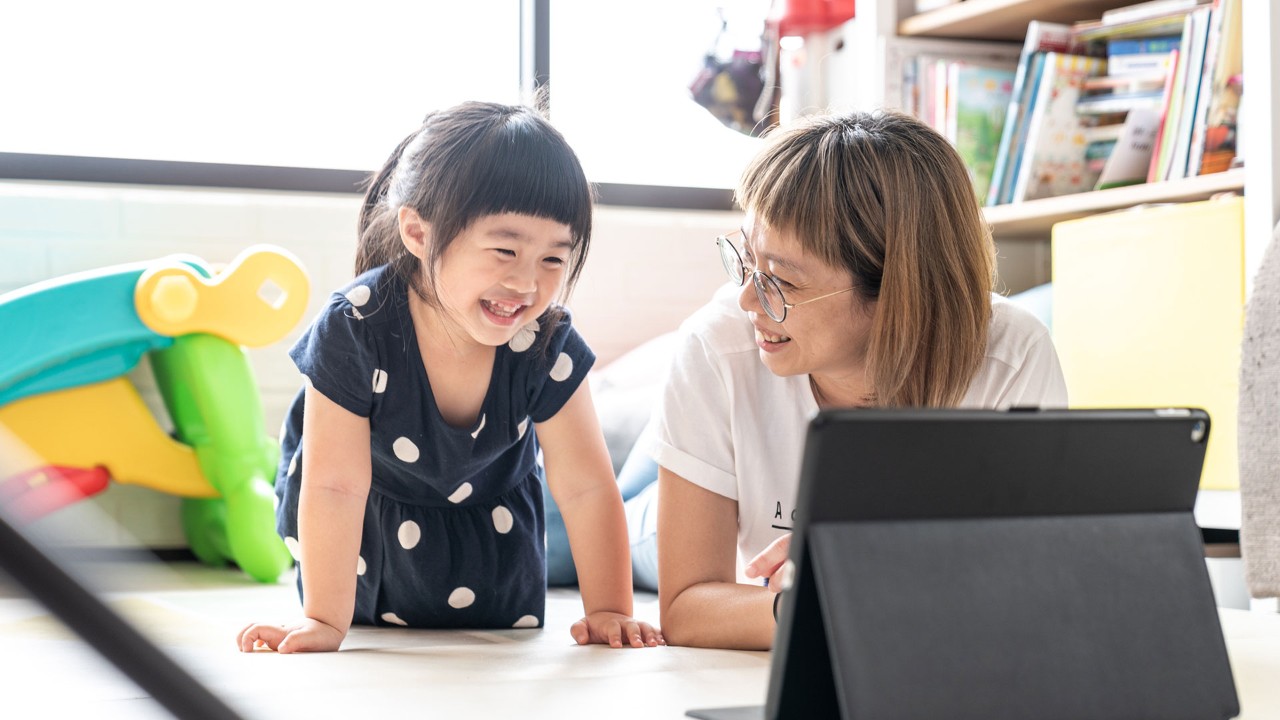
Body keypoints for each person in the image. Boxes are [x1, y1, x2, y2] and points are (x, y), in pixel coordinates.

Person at [236, 101, 661, 653]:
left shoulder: (545, 344)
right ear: (417, 232)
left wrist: (609, 610)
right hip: (364, 557)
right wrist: (324, 620)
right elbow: (334, 486)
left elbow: (585, 486)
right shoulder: (356, 327)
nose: (526, 284)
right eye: (504, 250)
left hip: (493, 558)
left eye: (554, 260)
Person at [651, 109, 1068, 650]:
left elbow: (1031, 585)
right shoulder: (718, 344)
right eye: (748, 263)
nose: (750, 298)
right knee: (572, 528)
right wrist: (822, 606)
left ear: (894, 293)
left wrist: (861, 585)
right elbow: (686, 608)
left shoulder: (1013, 358)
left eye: (781, 281)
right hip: (695, 453)